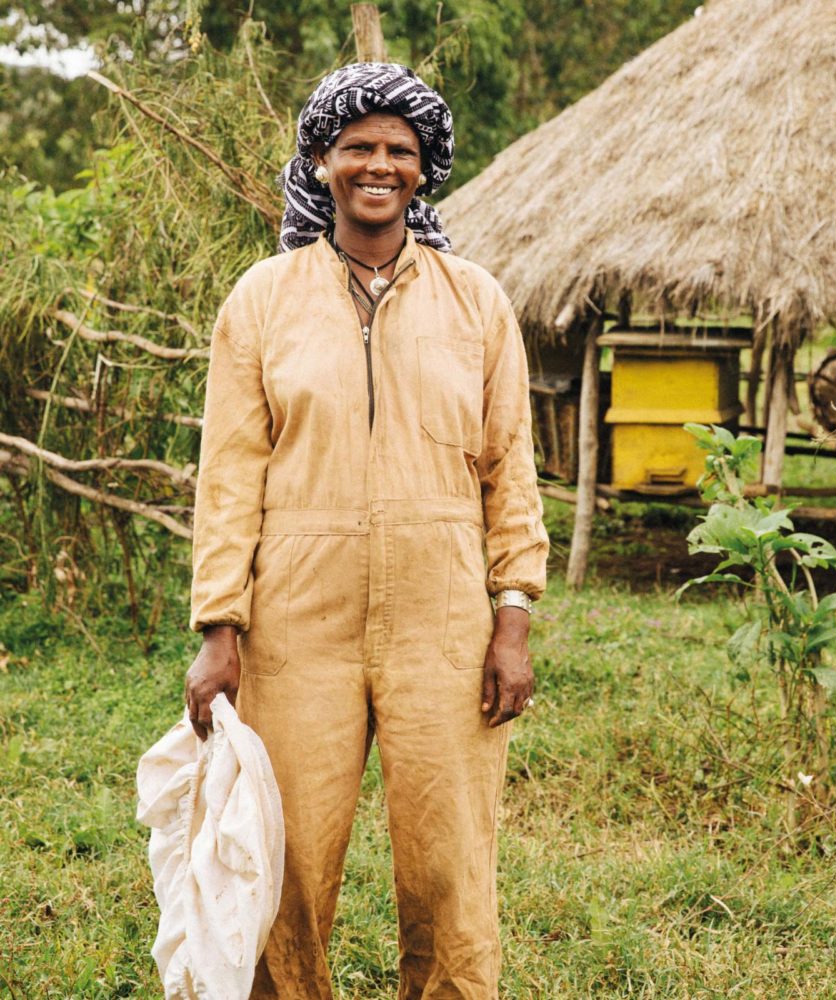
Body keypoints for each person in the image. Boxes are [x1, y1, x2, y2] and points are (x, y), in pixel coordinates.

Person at [183, 62, 548, 1000]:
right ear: (319, 161)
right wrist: (219, 629)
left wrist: (512, 619)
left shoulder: (477, 302)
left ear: (425, 172)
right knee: (288, 864)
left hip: (443, 621)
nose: (379, 166)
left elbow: (510, 469)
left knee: (450, 867)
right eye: (358, 149)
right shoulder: (262, 300)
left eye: (400, 151)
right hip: (297, 624)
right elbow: (229, 476)